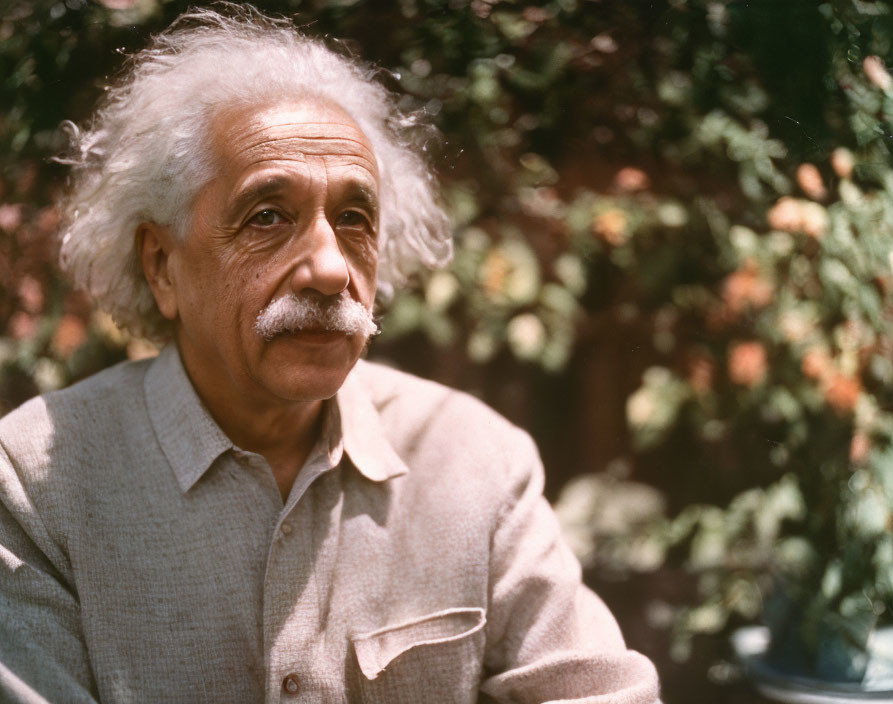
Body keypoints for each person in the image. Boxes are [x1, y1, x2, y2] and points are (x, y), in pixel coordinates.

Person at [0, 6, 661, 703]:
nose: (328, 267)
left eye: (354, 219)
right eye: (267, 217)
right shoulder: (37, 485)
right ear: (163, 266)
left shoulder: (475, 460)